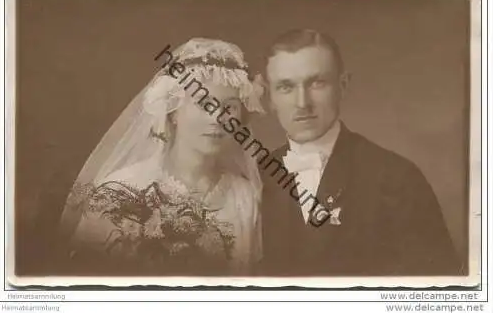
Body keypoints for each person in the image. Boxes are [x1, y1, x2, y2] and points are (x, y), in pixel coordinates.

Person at [259, 28, 463, 276]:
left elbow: (435, 287)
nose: (302, 102)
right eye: (286, 87)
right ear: (270, 98)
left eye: (317, 83)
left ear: (342, 86)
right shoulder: (254, 177)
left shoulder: (397, 178)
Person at [57, 38, 264, 276]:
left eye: (229, 107)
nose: (216, 118)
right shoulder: (123, 187)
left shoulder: (244, 196)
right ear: (173, 111)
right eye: (203, 104)